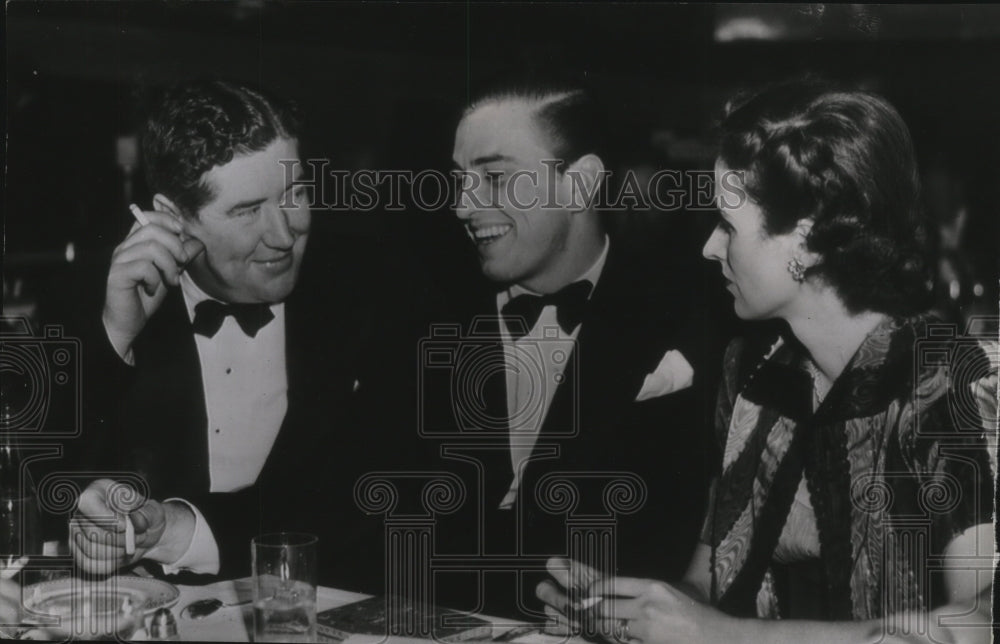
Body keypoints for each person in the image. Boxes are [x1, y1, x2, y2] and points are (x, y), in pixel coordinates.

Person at [538, 80, 997, 642]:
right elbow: (709, 588)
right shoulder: (753, 374)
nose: (709, 247)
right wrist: (633, 611)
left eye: (728, 225)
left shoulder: (958, 383)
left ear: (805, 239)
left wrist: (716, 636)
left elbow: (980, 623)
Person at [70, 80, 420, 591]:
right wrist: (116, 335)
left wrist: (183, 532)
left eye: (295, 194)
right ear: (172, 219)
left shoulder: (371, 292)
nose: (283, 235)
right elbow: (42, 485)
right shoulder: (99, 299)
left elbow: (377, 502)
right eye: (247, 210)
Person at [427, 76, 721, 617]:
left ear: (580, 183)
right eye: (459, 180)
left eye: (494, 177)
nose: (462, 206)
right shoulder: (413, 314)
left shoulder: (697, 318)